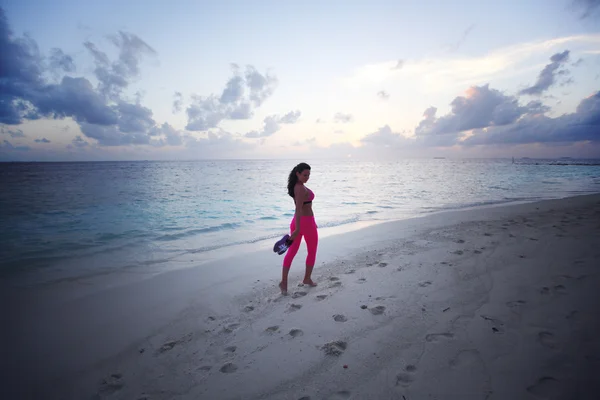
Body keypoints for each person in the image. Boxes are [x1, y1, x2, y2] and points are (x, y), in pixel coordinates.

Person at [279, 162, 318, 295]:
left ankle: (284, 283)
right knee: (311, 252)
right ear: (298, 174)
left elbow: (301, 209)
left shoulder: (297, 186)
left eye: (309, 175)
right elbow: (299, 209)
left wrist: (297, 227)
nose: (307, 177)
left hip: (299, 223)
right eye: (305, 175)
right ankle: (306, 279)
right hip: (304, 224)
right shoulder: (300, 188)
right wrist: (298, 229)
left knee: (292, 252)